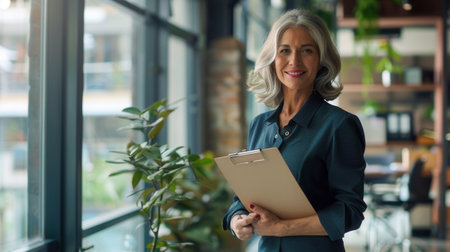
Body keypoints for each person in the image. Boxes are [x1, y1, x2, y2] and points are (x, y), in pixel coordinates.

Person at [222, 9, 367, 252]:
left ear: (322, 60)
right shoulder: (260, 125)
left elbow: (350, 211)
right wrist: (237, 219)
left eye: (307, 50)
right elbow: (244, 197)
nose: (294, 61)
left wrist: (282, 228)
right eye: (285, 50)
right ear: (273, 58)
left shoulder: (339, 126)